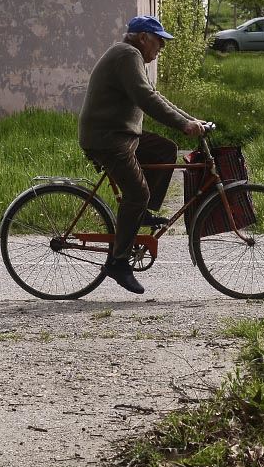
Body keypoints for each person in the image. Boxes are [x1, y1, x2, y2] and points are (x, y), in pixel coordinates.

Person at [79, 15, 205, 294]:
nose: (161, 48)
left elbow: (154, 94)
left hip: (122, 134)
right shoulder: (127, 54)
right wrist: (184, 124)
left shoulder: (130, 55)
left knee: (165, 148)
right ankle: (119, 262)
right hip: (108, 139)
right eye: (159, 41)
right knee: (136, 193)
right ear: (143, 37)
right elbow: (145, 99)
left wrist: (190, 119)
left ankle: (142, 214)